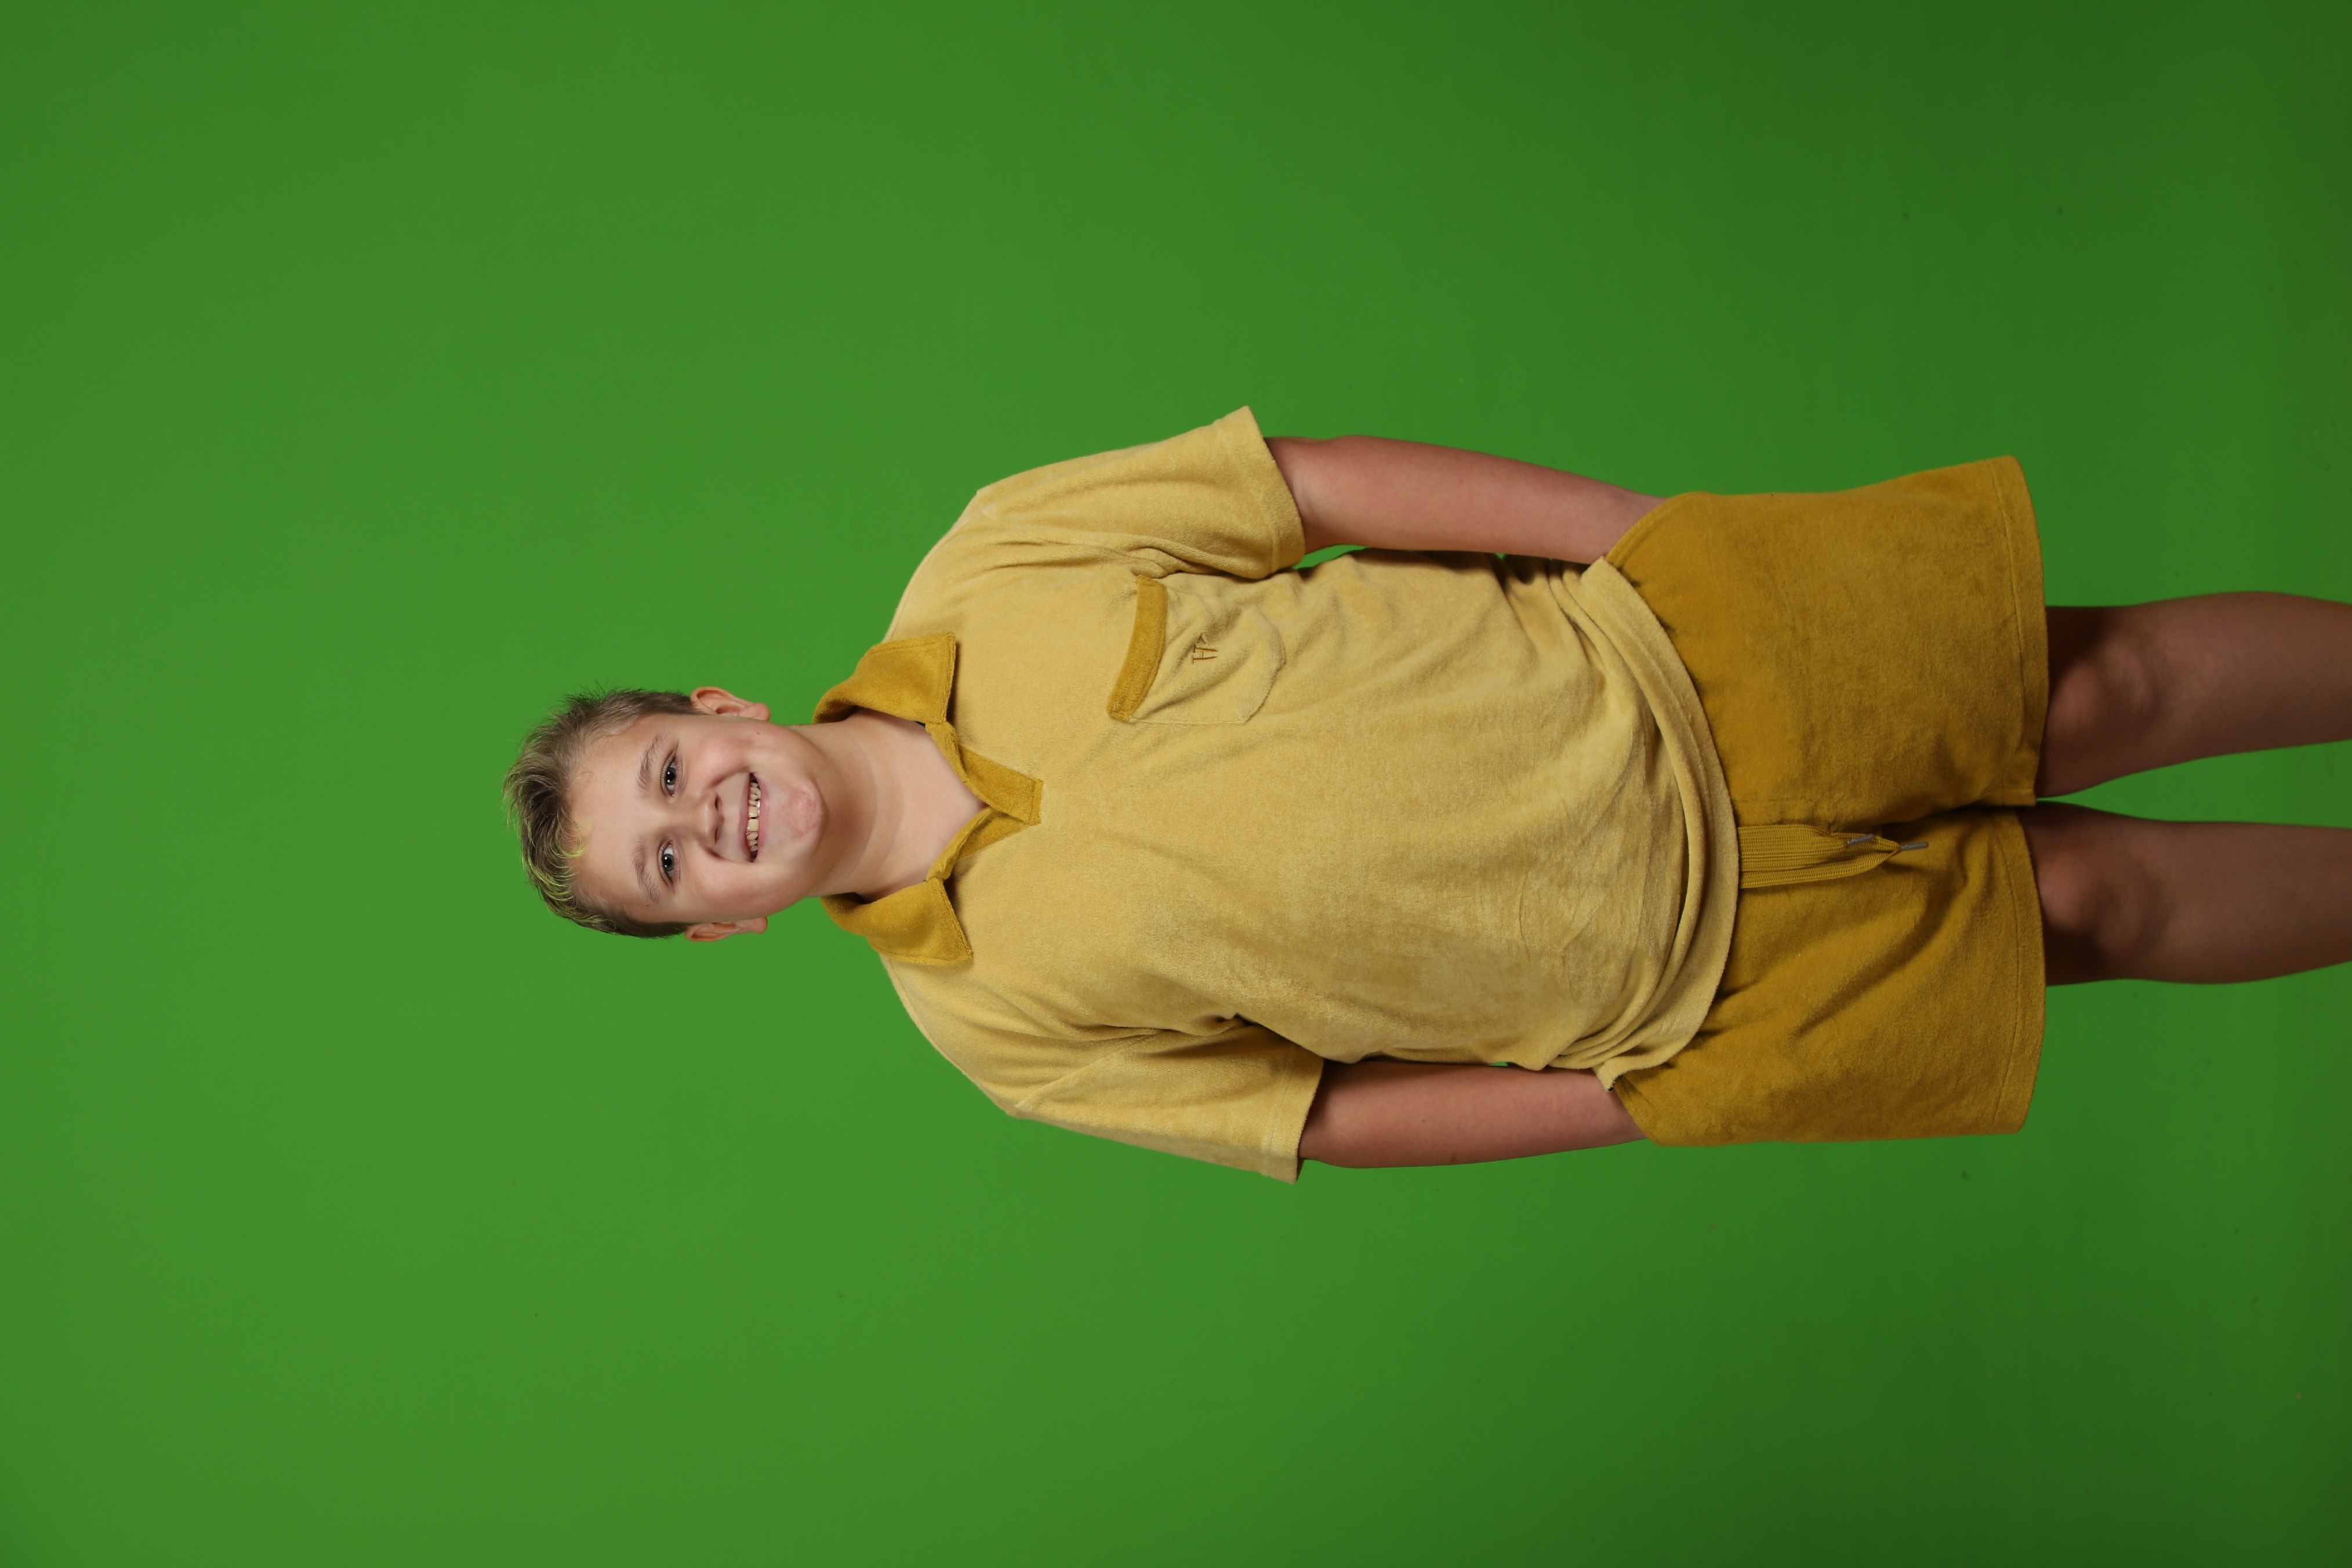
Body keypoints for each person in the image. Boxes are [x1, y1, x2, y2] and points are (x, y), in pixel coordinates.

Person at [503, 410, 2352, 1179]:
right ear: (722, 925)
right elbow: (1320, 1118)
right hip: (1689, 985)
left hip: (1671, 665)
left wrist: (1646, 544)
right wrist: (1627, 1101)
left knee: (2103, 684)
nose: (705, 818)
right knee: (2093, 911)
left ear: (719, 707)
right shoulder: (991, 1034)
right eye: (668, 866)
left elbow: (1310, 489)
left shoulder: (989, 562)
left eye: (671, 774)